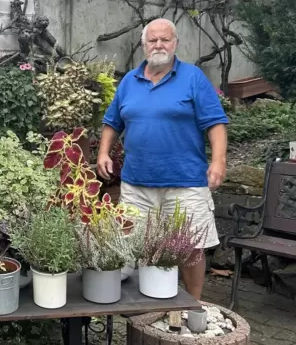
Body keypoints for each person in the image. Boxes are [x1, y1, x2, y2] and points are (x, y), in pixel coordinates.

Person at [96, 18, 228, 300]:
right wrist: (103, 152)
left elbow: (215, 123)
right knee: (137, 244)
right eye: (152, 40)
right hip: (136, 184)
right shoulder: (129, 82)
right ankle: (149, 304)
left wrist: (218, 161)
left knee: (191, 247)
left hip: (185, 181)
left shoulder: (193, 78)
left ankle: (193, 304)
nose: (158, 45)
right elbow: (112, 122)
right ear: (144, 45)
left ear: (175, 43)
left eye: (164, 40)